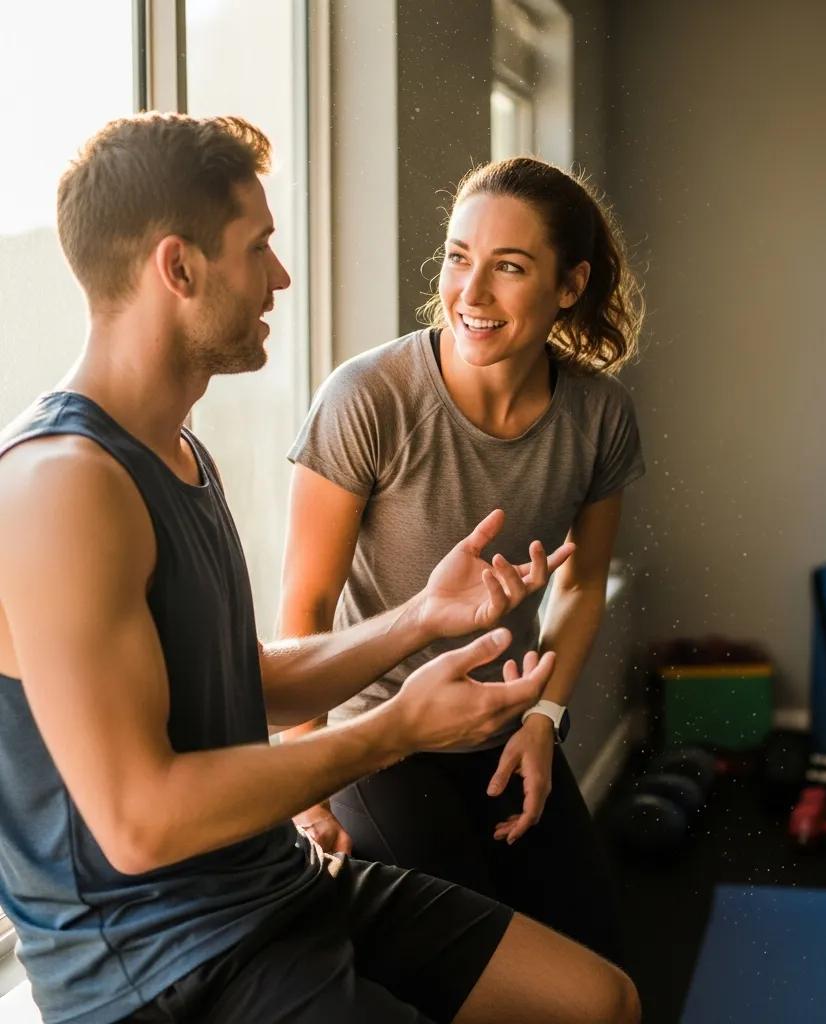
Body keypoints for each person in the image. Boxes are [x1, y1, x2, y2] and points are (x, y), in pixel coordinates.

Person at [0, 113, 641, 1024]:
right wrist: (395, 730)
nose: (280, 275)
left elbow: (243, 684)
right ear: (178, 268)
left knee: (599, 1000)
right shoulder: (60, 488)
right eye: (258, 247)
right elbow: (139, 822)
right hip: (164, 966)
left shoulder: (176, 453)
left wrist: (418, 616)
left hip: (271, 892)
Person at [280, 155, 645, 963]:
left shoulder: (600, 415)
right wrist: (308, 788)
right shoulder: (367, 398)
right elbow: (305, 606)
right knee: (485, 975)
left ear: (568, 284)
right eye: (457, 257)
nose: (470, 294)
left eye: (508, 268)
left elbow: (581, 583)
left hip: (505, 732)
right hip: (380, 741)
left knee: (599, 969)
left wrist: (546, 717)